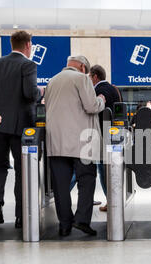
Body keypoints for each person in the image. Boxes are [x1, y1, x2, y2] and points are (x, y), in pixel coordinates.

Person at [45, 55, 105, 237]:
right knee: (86, 180)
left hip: (56, 142)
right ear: (82, 67)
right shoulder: (82, 79)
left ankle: (64, 225)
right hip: (82, 142)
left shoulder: (52, 81)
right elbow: (91, 106)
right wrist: (101, 99)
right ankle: (82, 220)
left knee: (61, 186)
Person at [0, 30, 42, 229]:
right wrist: (40, 92)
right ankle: (20, 215)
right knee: (22, 170)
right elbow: (29, 93)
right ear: (28, 45)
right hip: (20, 127)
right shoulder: (28, 64)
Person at [89, 64, 122, 212]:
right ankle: (114, 199)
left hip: (101, 135)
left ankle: (111, 201)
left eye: (90, 77)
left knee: (102, 169)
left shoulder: (99, 91)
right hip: (114, 135)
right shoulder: (114, 89)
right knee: (110, 168)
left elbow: (93, 109)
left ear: (95, 76)